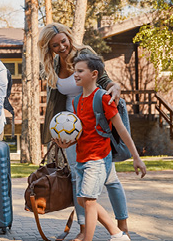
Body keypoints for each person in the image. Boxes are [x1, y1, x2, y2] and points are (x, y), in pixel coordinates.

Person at [37, 22, 128, 240]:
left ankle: (122, 225)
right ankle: (83, 229)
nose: (61, 47)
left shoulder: (84, 54)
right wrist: (55, 134)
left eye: (63, 41)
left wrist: (114, 86)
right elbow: (54, 102)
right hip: (68, 129)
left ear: (68, 36)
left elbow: (103, 79)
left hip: (93, 125)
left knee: (110, 178)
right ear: (49, 48)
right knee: (77, 179)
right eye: (54, 45)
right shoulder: (50, 65)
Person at [55, 53, 146, 241]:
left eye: (80, 71)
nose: (76, 75)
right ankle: (116, 233)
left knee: (89, 201)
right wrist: (66, 142)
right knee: (82, 199)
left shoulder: (103, 98)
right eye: (75, 71)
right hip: (81, 157)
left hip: (97, 158)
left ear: (94, 74)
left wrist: (136, 157)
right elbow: (81, 133)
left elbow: (121, 129)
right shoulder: (76, 101)